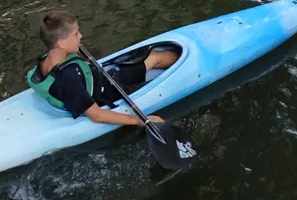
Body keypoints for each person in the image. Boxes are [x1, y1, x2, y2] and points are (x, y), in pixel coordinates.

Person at [27, 11, 182, 127]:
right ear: (61, 43)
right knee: (168, 80)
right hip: (112, 92)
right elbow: (96, 115)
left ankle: (181, 59)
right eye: (76, 34)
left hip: (105, 78)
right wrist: (139, 120)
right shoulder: (69, 79)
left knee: (154, 57)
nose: (80, 36)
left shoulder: (47, 59)